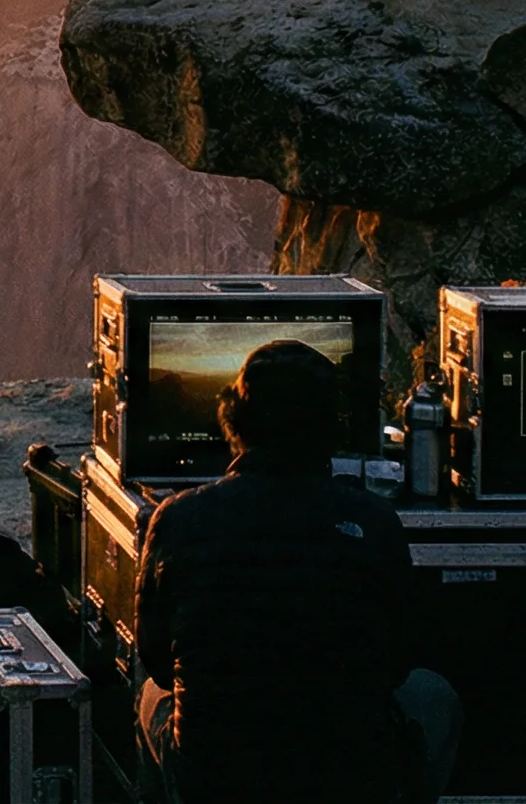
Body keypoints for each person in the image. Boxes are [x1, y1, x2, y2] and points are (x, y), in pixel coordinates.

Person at [134, 341, 463, 803]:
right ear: (332, 428)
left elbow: (160, 666)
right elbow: (399, 661)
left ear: (234, 419)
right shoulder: (374, 520)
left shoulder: (176, 518)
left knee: (149, 694)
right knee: (436, 696)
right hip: (349, 777)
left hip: (217, 779)